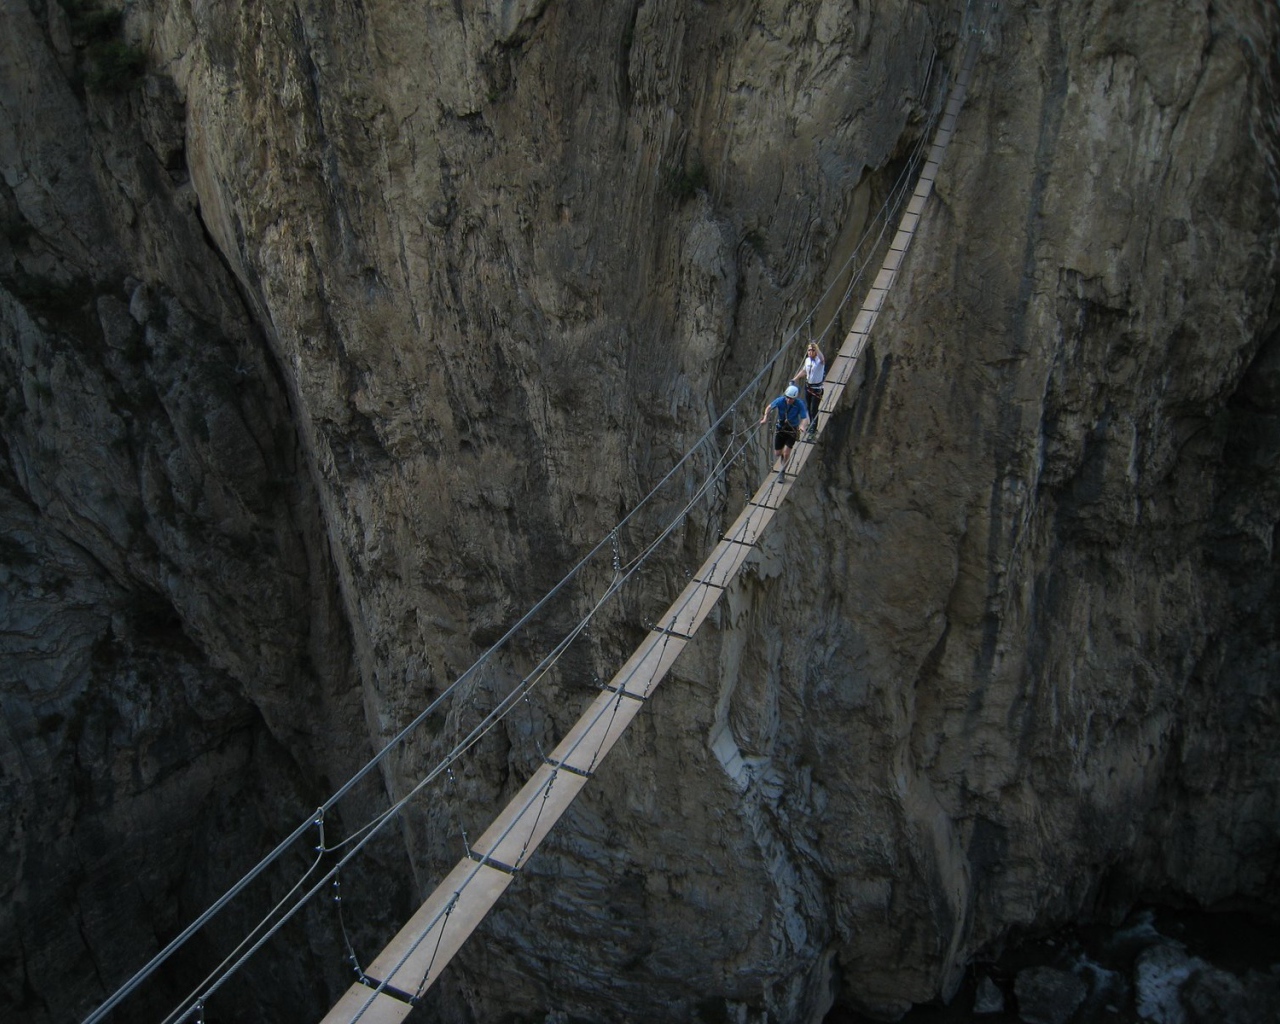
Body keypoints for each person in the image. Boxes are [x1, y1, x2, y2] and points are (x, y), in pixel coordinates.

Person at [759, 384, 810, 480]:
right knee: (777, 453)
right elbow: (769, 407)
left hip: (792, 430)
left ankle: (782, 471)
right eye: (787, 397)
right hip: (781, 429)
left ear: (795, 398)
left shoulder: (799, 404)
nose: (788, 400)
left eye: (791, 398)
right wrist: (765, 418)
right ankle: (783, 456)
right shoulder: (780, 400)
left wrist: (802, 426)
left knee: (786, 453)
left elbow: (804, 418)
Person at [792, 342, 825, 437]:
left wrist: (816, 348)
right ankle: (811, 424)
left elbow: (822, 359)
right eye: (809, 350)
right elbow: (804, 371)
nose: (810, 352)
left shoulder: (819, 361)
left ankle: (813, 429)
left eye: (813, 350)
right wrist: (795, 379)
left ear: (816, 351)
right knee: (808, 407)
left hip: (817, 389)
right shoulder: (807, 360)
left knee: (813, 409)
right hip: (808, 387)